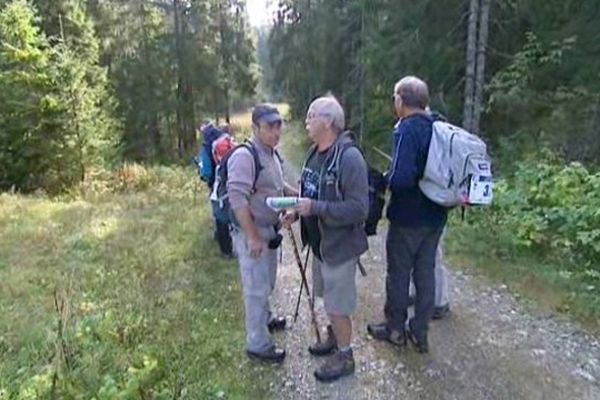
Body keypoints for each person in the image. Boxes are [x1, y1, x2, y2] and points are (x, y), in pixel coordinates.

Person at [286, 95, 369, 382]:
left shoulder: (349, 158)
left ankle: (345, 356)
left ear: (328, 122)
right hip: (320, 245)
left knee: (338, 304)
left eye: (311, 116)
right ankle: (334, 340)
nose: (306, 121)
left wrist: (315, 208)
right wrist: (295, 213)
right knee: (328, 299)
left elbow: (360, 209)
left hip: (340, 247)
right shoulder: (314, 154)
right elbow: (308, 194)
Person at [367, 76, 448, 353]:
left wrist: (385, 179)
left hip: (408, 216)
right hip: (436, 215)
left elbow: (401, 178)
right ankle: (420, 332)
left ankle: (395, 329)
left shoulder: (406, 129)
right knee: (425, 273)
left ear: (401, 100)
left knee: (399, 273)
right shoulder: (438, 126)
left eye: (394, 98)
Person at [227, 104, 296, 363]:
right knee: (255, 289)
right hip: (251, 234)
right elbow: (237, 197)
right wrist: (253, 236)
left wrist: (296, 200)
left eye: (279, 126)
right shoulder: (245, 156)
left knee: (266, 281)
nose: (276, 132)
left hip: (269, 230)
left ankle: (266, 319)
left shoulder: (270, 153)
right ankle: (257, 344)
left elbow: (276, 186)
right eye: (270, 127)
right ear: (255, 127)